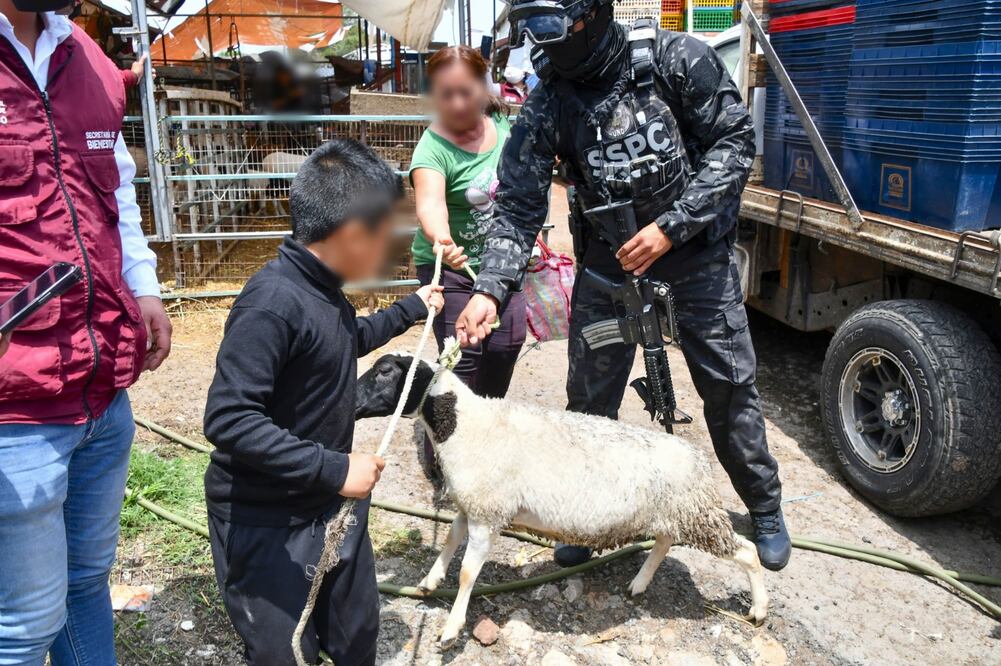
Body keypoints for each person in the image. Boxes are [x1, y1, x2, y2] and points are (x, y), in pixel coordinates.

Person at [454, 0, 792, 571]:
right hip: (610, 267)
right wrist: (490, 288)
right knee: (589, 403)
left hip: (694, 259)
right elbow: (516, 208)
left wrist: (673, 226)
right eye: (532, 28)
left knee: (729, 389)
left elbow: (734, 145)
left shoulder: (675, 60)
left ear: (593, 14)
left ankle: (763, 507)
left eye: (554, 26)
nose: (544, 41)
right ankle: (585, 516)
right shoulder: (551, 101)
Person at [202, 139, 444, 666]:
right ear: (353, 234)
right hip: (268, 518)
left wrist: (410, 309)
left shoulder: (323, 288)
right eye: (387, 237)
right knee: (286, 652)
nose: (391, 249)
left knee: (356, 636)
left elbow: (339, 342)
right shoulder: (272, 303)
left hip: (330, 505)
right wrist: (335, 469)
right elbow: (227, 418)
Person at [0, 0, 172, 662]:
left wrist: (145, 286)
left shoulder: (91, 60)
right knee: (22, 623)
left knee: (84, 585)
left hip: (103, 393)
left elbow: (118, 193)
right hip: (17, 409)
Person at [410, 45, 525, 481]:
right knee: (463, 358)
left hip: (505, 263)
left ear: (483, 84)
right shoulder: (432, 148)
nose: (457, 103)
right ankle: (441, 447)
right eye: (445, 94)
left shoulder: (505, 123)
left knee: (506, 345)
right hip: (453, 266)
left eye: (466, 91)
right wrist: (443, 239)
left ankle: (481, 431)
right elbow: (430, 205)